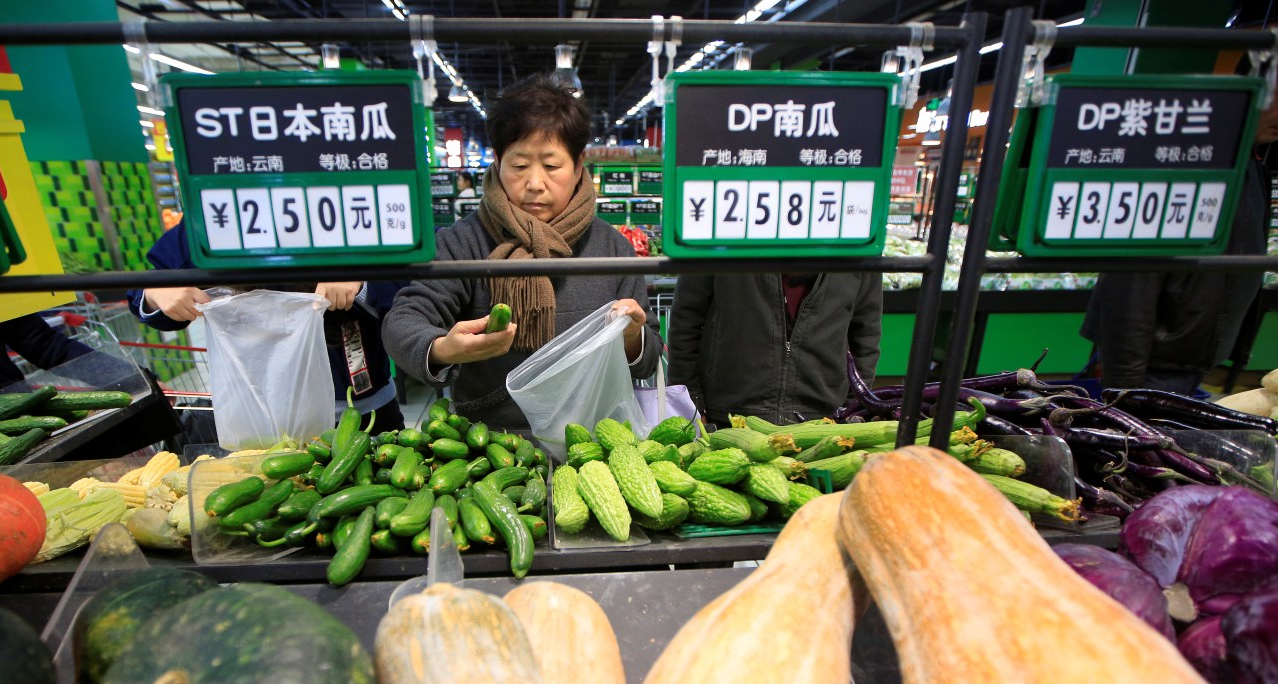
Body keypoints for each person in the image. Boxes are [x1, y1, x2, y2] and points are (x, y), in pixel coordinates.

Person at [382, 74, 660, 430]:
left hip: (595, 442)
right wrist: (441, 349)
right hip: (491, 445)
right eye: (519, 165)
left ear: (578, 166)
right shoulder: (464, 243)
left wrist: (632, 337)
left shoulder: (610, 248)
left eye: (551, 165)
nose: (534, 183)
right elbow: (403, 321)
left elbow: (648, 356)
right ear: (497, 161)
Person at [1081, 74, 1278, 394]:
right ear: (1242, 94)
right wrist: (1125, 390)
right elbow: (1131, 283)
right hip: (1154, 363)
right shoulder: (1183, 164)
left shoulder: (1249, 165)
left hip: (1187, 357)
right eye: (1275, 98)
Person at [128, 225, 406, 433]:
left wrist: (365, 276)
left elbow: (424, 270)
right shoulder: (216, 215)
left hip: (365, 413)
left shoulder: (354, 204)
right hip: (264, 419)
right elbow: (149, 287)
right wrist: (155, 292)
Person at [668, 272, 882, 425]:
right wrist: (691, 405)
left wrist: (853, 407)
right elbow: (686, 323)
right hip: (727, 418)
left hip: (825, 420)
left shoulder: (856, 238)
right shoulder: (726, 226)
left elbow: (866, 336)